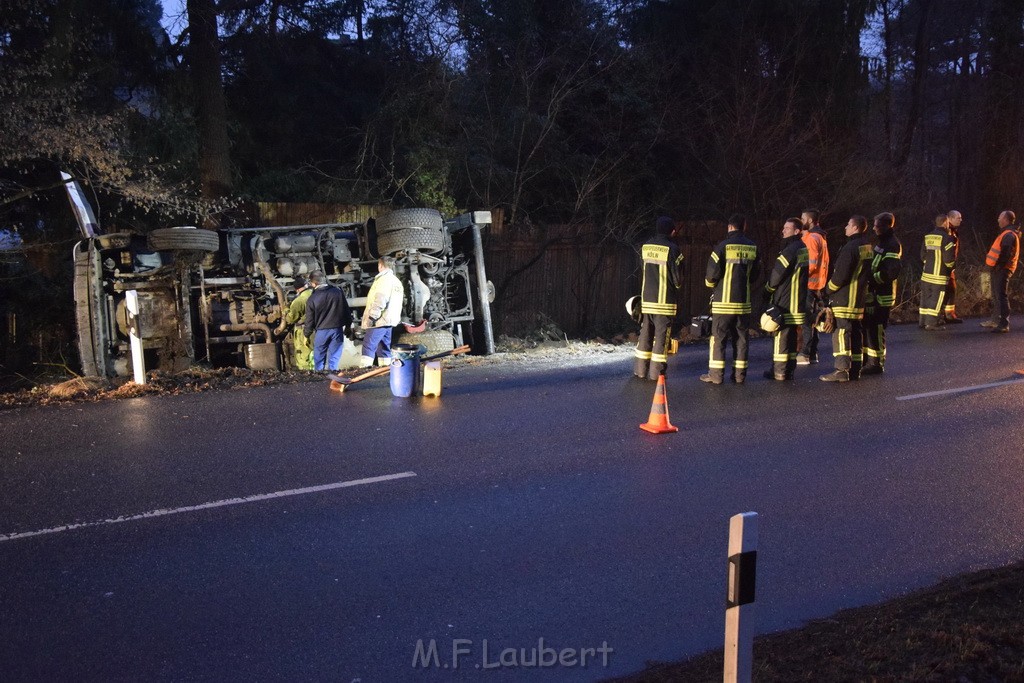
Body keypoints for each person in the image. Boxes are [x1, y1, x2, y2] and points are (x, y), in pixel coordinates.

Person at [701, 213, 759, 385]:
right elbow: (755, 274)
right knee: (741, 339)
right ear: (744, 226)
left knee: (718, 339)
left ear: (730, 227)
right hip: (743, 303)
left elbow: (711, 275)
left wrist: (711, 285)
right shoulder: (752, 247)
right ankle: (740, 375)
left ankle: (716, 376)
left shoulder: (722, 247)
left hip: (723, 304)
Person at [820, 215, 873, 382]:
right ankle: (855, 369)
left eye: (848, 225)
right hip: (858, 299)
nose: (845, 227)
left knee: (841, 332)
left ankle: (842, 370)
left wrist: (827, 290)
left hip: (844, 298)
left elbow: (840, 275)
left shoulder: (850, 248)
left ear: (855, 228)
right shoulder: (867, 247)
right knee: (856, 333)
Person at [633, 216, 684, 380]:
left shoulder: (645, 247)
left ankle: (640, 370)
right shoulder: (673, 249)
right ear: (672, 231)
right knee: (661, 338)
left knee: (645, 335)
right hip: (664, 303)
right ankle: (657, 373)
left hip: (647, 301)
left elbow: (643, 269)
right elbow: (678, 280)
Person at [763, 217, 808, 381]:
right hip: (798, 299)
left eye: (787, 228)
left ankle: (779, 371)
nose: (783, 231)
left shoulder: (790, 249)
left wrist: (768, 289)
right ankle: (788, 369)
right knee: (792, 336)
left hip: (785, 299)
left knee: (781, 335)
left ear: (797, 231)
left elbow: (778, 273)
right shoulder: (803, 248)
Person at [862, 212, 902, 375]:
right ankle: (868, 360)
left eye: (877, 225)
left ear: (887, 226)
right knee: (869, 327)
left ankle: (877, 363)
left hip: (882, 295)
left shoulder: (892, 244)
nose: (874, 228)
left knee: (877, 329)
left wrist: (873, 279)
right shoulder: (883, 242)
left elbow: (892, 271)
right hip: (875, 293)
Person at [797, 209, 830, 365]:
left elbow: (811, 263)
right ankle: (812, 353)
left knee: (807, 320)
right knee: (814, 320)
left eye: (802, 218)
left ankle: (805, 353)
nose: (800, 219)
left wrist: (798, 274)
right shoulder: (821, 237)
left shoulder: (811, 238)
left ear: (809, 221)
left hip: (809, 284)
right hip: (818, 285)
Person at [361, 256, 405, 367]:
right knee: (384, 348)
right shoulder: (396, 281)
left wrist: (372, 316)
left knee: (368, 346)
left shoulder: (383, 280)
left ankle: (364, 371)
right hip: (389, 320)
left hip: (379, 321)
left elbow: (380, 300)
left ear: (380, 265)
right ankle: (385, 370)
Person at [303, 270, 351, 371]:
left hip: (321, 331)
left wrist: (306, 335)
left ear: (313, 283)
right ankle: (333, 376)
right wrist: (348, 326)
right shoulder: (337, 292)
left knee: (319, 358)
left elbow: (309, 320)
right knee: (334, 357)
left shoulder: (312, 299)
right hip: (337, 330)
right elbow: (346, 310)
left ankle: (319, 377)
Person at [981, 210, 1021, 333]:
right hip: (999, 268)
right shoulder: (1006, 233)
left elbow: (1005, 253)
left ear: (1006, 220)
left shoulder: (1008, 235)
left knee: (1001, 295)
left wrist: (999, 266)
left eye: (1000, 217)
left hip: (1003, 269)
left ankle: (1004, 323)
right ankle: (997, 320)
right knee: (997, 295)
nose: (998, 220)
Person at [919, 214, 956, 331]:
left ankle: (923, 321)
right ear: (945, 223)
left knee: (925, 298)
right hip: (939, 275)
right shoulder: (947, 238)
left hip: (926, 274)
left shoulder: (928, 236)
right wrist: (951, 268)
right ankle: (931, 323)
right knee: (936, 298)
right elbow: (949, 259)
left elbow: (923, 256)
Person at [285, 276, 314, 370]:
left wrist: (285, 311)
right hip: (317, 328)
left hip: (303, 331)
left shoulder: (298, 301)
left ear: (297, 289)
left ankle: (306, 375)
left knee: (303, 354)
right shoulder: (314, 295)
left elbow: (290, 319)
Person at [943, 210, 964, 323]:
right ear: (950, 219)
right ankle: (946, 315)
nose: (961, 220)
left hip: (949, 266)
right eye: (958, 218)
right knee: (947, 289)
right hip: (945, 266)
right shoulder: (947, 232)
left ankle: (949, 314)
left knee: (951, 288)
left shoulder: (953, 231)